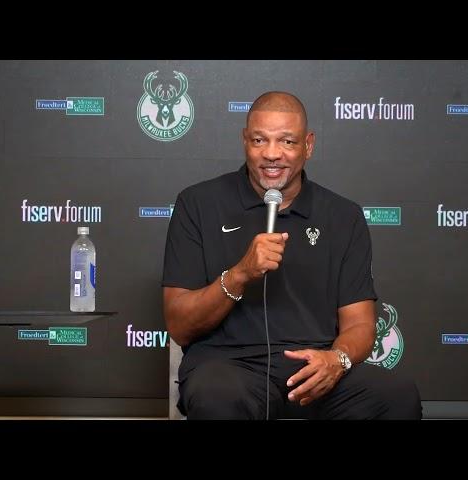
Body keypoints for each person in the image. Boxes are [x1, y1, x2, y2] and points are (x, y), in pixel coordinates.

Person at [162, 91, 422, 420]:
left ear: (308, 145)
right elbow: (179, 325)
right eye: (259, 140)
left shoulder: (343, 216)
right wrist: (240, 274)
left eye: (287, 141)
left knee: (396, 396)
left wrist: (336, 360)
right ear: (245, 141)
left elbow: (359, 324)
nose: (272, 154)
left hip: (316, 369)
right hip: (230, 367)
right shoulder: (198, 204)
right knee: (216, 395)